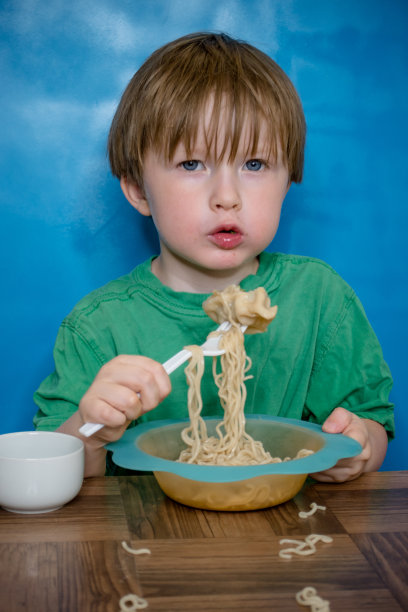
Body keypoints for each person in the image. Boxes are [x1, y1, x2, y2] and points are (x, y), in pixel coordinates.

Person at [33, 32, 394, 481]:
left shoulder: (320, 299)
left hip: (284, 537)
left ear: (289, 181)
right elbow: (55, 468)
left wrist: (359, 446)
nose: (227, 197)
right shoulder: (97, 328)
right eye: (191, 165)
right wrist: (89, 434)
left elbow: (372, 427)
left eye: (255, 165)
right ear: (137, 190)